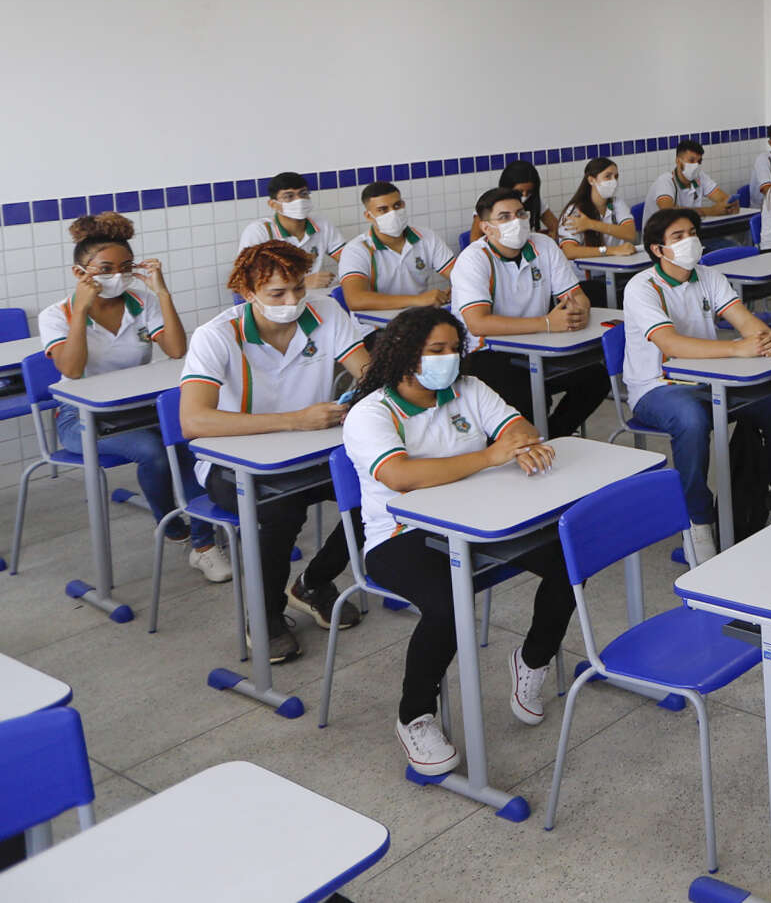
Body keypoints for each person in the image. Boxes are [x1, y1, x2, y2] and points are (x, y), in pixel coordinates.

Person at [339, 307, 570, 775]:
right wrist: (489, 456)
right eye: (435, 351)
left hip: (480, 521)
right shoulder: (371, 413)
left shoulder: (466, 388)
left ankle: (532, 660)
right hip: (400, 536)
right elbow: (400, 476)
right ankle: (415, 714)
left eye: (453, 350)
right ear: (405, 356)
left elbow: (515, 425)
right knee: (447, 604)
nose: (448, 360)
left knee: (572, 557)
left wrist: (522, 443)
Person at [180, 241, 370, 664]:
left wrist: (372, 384)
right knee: (279, 512)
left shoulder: (325, 312)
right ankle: (265, 617)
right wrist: (295, 419)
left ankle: (313, 583)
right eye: (277, 295)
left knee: (379, 491)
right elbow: (194, 422)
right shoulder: (217, 335)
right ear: (248, 294)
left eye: (299, 289)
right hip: (233, 465)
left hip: (313, 453)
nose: (293, 301)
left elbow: (366, 370)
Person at [39, 213, 219, 577]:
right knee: (152, 452)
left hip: (142, 409)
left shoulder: (140, 302)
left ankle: (205, 541)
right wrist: (81, 310)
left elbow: (176, 349)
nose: (117, 276)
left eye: (125, 267)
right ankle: (173, 527)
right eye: (106, 268)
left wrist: (162, 292)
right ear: (80, 272)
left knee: (191, 440)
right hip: (83, 420)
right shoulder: (56, 315)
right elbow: (71, 370)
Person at [621, 207, 771, 562]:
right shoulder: (642, 287)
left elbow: (746, 323)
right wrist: (736, 347)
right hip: (657, 386)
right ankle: (697, 522)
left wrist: (766, 339)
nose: (690, 242)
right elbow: (670, 346)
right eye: (678, 237)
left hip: (711, 379)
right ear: (658, 249)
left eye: (691, 233)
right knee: (691, 420)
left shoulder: (708, 276)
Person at [450, 187, 607, 441]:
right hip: (486, 353)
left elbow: (577, 296)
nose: (517, 221)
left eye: (520, 213)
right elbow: (478, 323)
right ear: (487, 228)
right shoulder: (473, 260)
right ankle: (533, 439)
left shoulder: (543, 245)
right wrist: (546, 323)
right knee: (528, 396)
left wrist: (579, 312)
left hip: (537, 345)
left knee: (597, 376)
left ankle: (554, 436)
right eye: (504, 217)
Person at [337, 181, 456, 313]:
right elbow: (356, 300)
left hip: (419, 319)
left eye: (397, 205)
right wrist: (417, 300)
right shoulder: (356, 249)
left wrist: (461, 287)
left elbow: (458, 274)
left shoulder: (427, 237)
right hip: (375, 327)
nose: (393, 213)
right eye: (383, 210)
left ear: (403, 205)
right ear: (368, 216)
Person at [237, 172, 345, 290]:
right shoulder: (260, 231)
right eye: (289, 196)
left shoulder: (322, 224)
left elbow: (347, 257)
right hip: (275, 300)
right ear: (273, 204)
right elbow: (246, 277)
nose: (299, 200)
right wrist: (301, 283)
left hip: (314, 296)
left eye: (303, 194)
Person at [555, 157, 639, 262]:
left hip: (617, 267)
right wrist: (611, 251)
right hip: (588, 274)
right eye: (608, 176)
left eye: (616, 177)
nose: (614, 181)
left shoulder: (617, 203)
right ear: (591, 180)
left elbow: (630, 234)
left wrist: (591, 224)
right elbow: (569, 251)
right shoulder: (574, 211)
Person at [475, 160, 560, 241]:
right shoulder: (489, 201)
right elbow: (475, 239)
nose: (524, 195)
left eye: (529, 192)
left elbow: (556, 228)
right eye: (519, 192)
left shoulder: (535, 201)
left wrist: (548, 235)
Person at [648, 140, 736, 216]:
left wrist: (730, 205)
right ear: (678, 161)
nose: (696, 165)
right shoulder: (665, 181)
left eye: (699, 161)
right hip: (659, 234)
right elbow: (667, 211)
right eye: (691, 161)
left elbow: (723, 198)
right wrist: (711, 211)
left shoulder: (700, 177)